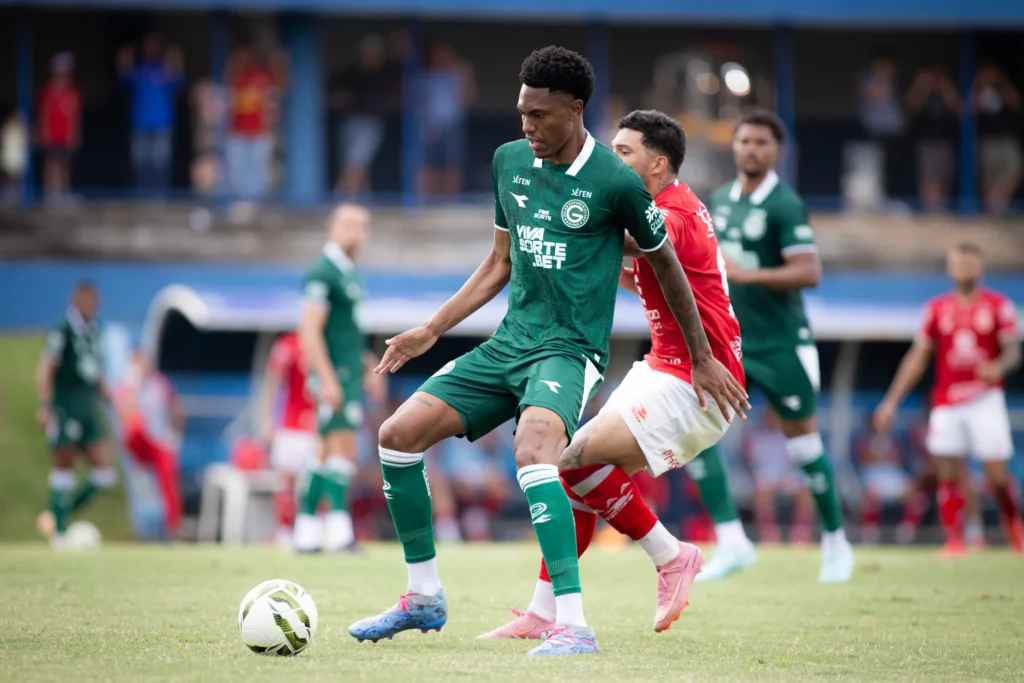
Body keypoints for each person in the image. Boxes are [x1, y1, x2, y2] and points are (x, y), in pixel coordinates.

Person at [347, 47, 747, 656]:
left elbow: (666, 262)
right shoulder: (508, 161)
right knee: (396, 435)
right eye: (522, 113)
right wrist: (431, 329)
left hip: (570, 350)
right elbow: (499, 262)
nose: (527, 125)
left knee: (542, 453)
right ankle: (423, 595)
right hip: (510, 342)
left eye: (539, 115)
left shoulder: (617, 183)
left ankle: (573, 624)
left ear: (575, 109)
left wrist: (702, 355)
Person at [477, 108, 747, 641]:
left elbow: (629, 237)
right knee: (575, 470)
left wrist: (557, 210)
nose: (613, 159)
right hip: (665, 366)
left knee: (570, 459)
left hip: (697, 377)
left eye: (624, 152)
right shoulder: (671, 205)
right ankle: (544, 610)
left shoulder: (675, 213)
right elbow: (636, 268)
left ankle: (671, 555)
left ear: (658, 163)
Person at [695, 108, 855, 583]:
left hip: (783, 342)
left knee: (803, 444)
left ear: (776, 151)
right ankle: (732, 541)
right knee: (693, 432)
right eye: (744, 140)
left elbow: (809, 271)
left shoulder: (785, 204)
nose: (751, 149)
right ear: (734, 146)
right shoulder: (720, 199)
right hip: (732, 343)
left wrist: (748, 276)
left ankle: (836, 543)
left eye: (761, 142)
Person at [873, 243, 1022, 556]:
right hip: (947, 401)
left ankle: (1015, 533)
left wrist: (998, 366)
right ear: (950, 268)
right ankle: (954, 540)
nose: (964, 269)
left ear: (980, 267)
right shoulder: (937, 309)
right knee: (948, 470)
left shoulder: (998, 305)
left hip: (985, 398)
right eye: (958, 263)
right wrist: (891, 401)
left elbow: (1013, 351)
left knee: (996, 474)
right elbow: (917, 358)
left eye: (969, 263)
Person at [298, 203, 384, 553]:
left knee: (324, 451)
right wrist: (327, 378)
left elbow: (346, 331)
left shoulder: (349, 272)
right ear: (331, 227)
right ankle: (337, 531)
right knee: (341, 448)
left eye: (362, 225)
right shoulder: (323, 271)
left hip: (348, 371)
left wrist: (366, 363)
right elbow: (310, 330)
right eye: (349, 224)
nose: (356, 231)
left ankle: (305, 531)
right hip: (335, 374)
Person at [35, 282, 115, 547]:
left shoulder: (95, 329)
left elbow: (94, 369)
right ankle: (59, 534)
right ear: (75, 300)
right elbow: (46, 367)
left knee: (104, 474)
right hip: (65, 409)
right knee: (63, 469)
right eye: (87, 300)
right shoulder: (63, 329)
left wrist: (108, 396)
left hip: (87, 410)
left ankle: (59, 515)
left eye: (95, 300)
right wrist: (45, 405)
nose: (92, 305)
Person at [259, 331, 317, 549]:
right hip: (291, 426)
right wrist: (266, 419)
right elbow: (272, 381)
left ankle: (308, 528)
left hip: (316, 427)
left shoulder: (327, 342)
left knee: (312, 482)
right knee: (285, 481)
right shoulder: (289, 344)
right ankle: (284, 530)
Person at [117, 351, 184, 538]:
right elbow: (125, 413)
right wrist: (134, 384)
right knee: (136, 424)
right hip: (142, 441)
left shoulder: (160, 383)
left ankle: (174, 528)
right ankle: (140, 466)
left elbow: (175, 407)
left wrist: (176, 433)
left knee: (169, 485)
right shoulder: (129, 386)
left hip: (161, 439)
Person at [117, 34, 185, 194]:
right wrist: (124, 55)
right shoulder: (138, 70)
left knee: (161, 163)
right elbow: (123, 76)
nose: (151, 48)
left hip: (162, 124)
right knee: (140, 163)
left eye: (155, 45)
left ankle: (160, 198)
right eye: (148, 45)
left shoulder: (166, 69)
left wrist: (175, 56)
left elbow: (180, 79)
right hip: (140, 124)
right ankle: (142, 197)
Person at [37, 52, 81, 201]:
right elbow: (44, 113)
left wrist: (75, 134)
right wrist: (43, 132)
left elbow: (75, 117)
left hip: (66, 135)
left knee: (65, 163)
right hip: (51, 134)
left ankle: (63, 191)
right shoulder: (48, 91)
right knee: (51, 162)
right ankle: (50, 192)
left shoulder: (73, 92)